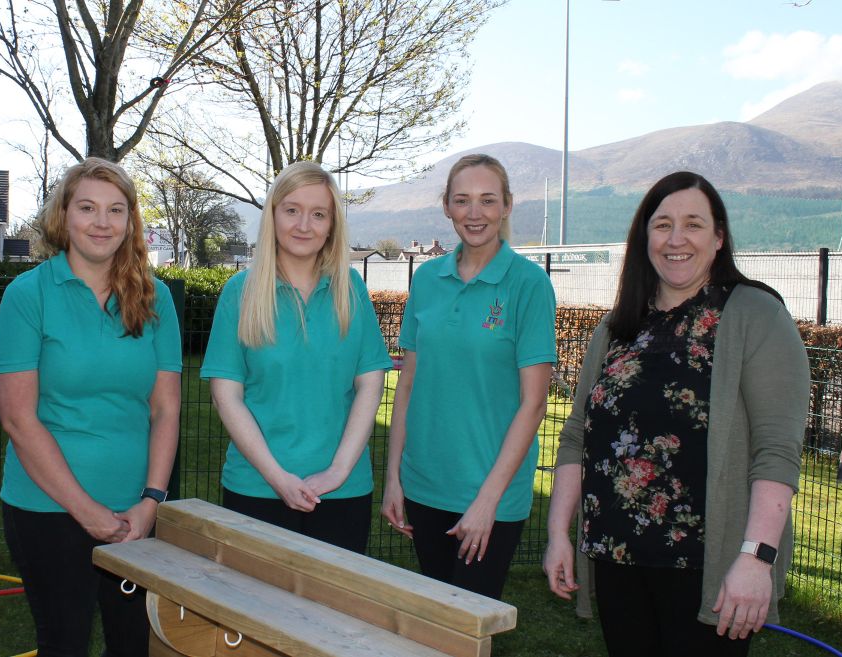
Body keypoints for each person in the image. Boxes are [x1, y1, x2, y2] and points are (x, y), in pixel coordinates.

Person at [542, 171, 809, 656]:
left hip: (711, 567)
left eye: (693, 224)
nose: (676, 239)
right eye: (662, 224)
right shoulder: (618, 326)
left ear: (719, 236)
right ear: (645, 237)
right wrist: (559, 534)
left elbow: (777, 452)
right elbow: (578, 435)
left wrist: (756, 559)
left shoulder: (756, 316)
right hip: (617, 558)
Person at [0, 158, 181, 657]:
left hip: (135, 511)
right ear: (64, 216)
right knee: (65, 643)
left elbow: (166, 408)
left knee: (134, 645)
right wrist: (87, 511)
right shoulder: (27, 295)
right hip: (47, 510)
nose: (102, 222)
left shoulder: (154, 296)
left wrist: (151, 500)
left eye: (116, 210)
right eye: (88, 208)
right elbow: (18, 419)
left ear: (130, 221)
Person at [381, 153, 556, 600]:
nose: (474, 213)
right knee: (438, 619)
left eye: (487, 200)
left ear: (507, 206)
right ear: (446, 206)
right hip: (424, 485)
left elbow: (534, 402)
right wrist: (394, 478)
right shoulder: (427, 279)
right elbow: (408, 385)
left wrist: (487, 502)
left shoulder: (528, 284)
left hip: (489, 494)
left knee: (471, 627)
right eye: (462, 200)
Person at [201, 161, 390, 554]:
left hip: (342, 492)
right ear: (272, 215)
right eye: (292, 210)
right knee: (256, 613)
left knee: (332, 614)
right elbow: (226, 395)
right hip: (256, 488)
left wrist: (338, 471)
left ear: (332, 225)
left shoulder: (351, 289)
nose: (304, 224)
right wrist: (277, 477)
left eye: (318, 214)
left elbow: (370, 382)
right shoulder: (241, 293)